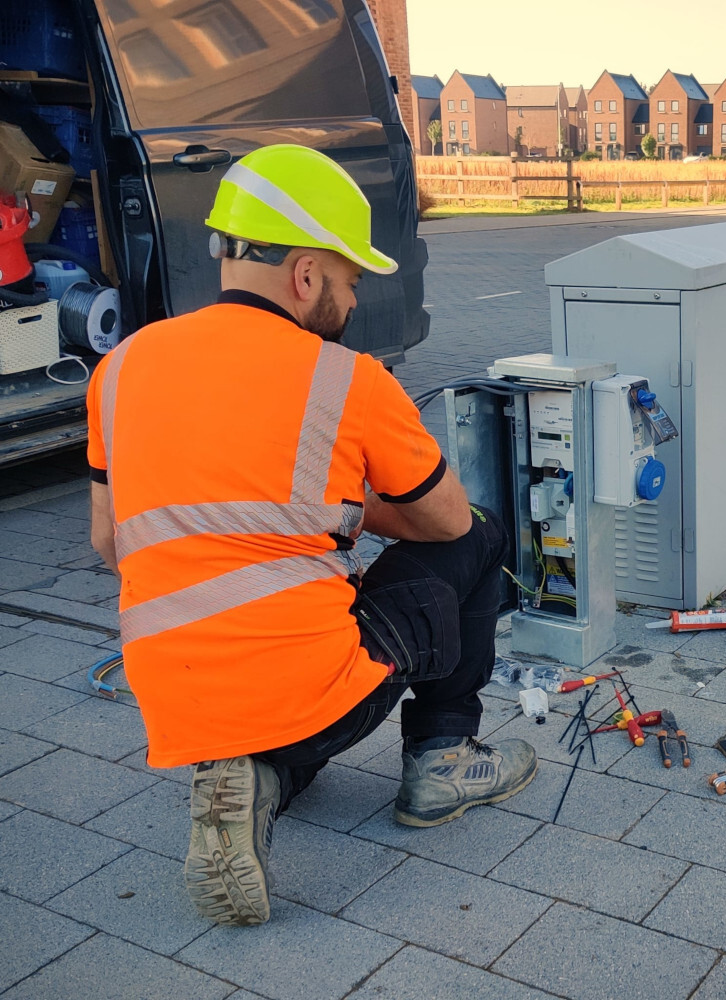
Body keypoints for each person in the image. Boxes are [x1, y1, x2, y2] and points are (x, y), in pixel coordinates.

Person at [87, 144, 537, 926]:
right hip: (311, 689)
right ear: (304, 275)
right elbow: (448, 522)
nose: (352, 301)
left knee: (278, 674)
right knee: (484, 537)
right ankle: (442, 759)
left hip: (179, 697)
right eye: (350, 279)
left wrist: (308, 516)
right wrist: (349, 510)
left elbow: (109, 541)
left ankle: (255, 774)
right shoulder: (346, 377)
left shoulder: (120, 369)